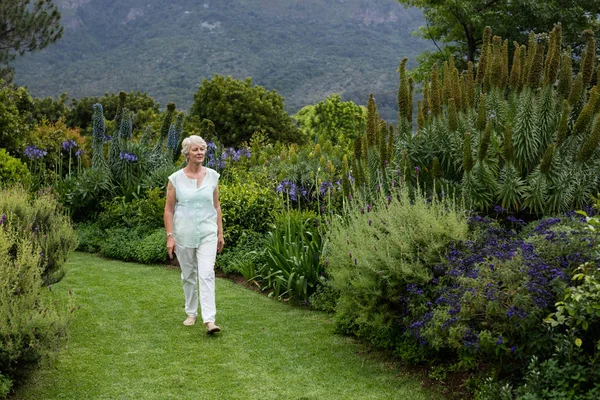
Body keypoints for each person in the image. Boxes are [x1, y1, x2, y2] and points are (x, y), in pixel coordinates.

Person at [164, 135, 224, 334]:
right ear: (187, 154)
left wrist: (220, 233)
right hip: (183, 233)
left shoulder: (213, 176)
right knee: (188, 275)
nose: (200, 153)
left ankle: (209, 320)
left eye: (202, 149)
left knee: (206, 273)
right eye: (196, 150)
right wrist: (170, 236)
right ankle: (191, 312)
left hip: (208, 232)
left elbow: (216, 206)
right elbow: (169, 209)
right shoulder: (175, 179)